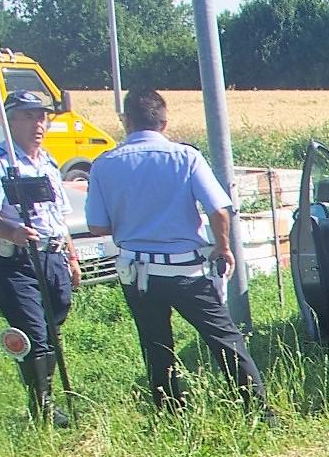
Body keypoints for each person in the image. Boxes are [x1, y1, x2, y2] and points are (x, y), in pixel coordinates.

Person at [83, 88, 269, 414]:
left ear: (125, 121)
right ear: (164, 122)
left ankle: (170, 414)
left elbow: (98, 226)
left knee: (156, 345)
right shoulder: (185, 157)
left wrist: (134, 219)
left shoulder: (104, 164)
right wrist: (222, 247)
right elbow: (219, 209)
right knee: (225, 340)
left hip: (136, 271)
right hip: (185, 270)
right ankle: (258, 411)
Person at [0, 89, 79, 426]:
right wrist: (12, 231)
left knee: (53, 323)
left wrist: (72, 258)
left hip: (52, 256)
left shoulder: (47, 161)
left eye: (43, 116)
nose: (39, 123)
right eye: (30, 116)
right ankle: (41, 406)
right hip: (17, 260)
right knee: (33, 330)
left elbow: (60, 217)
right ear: (10, 120)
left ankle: (46, 394)